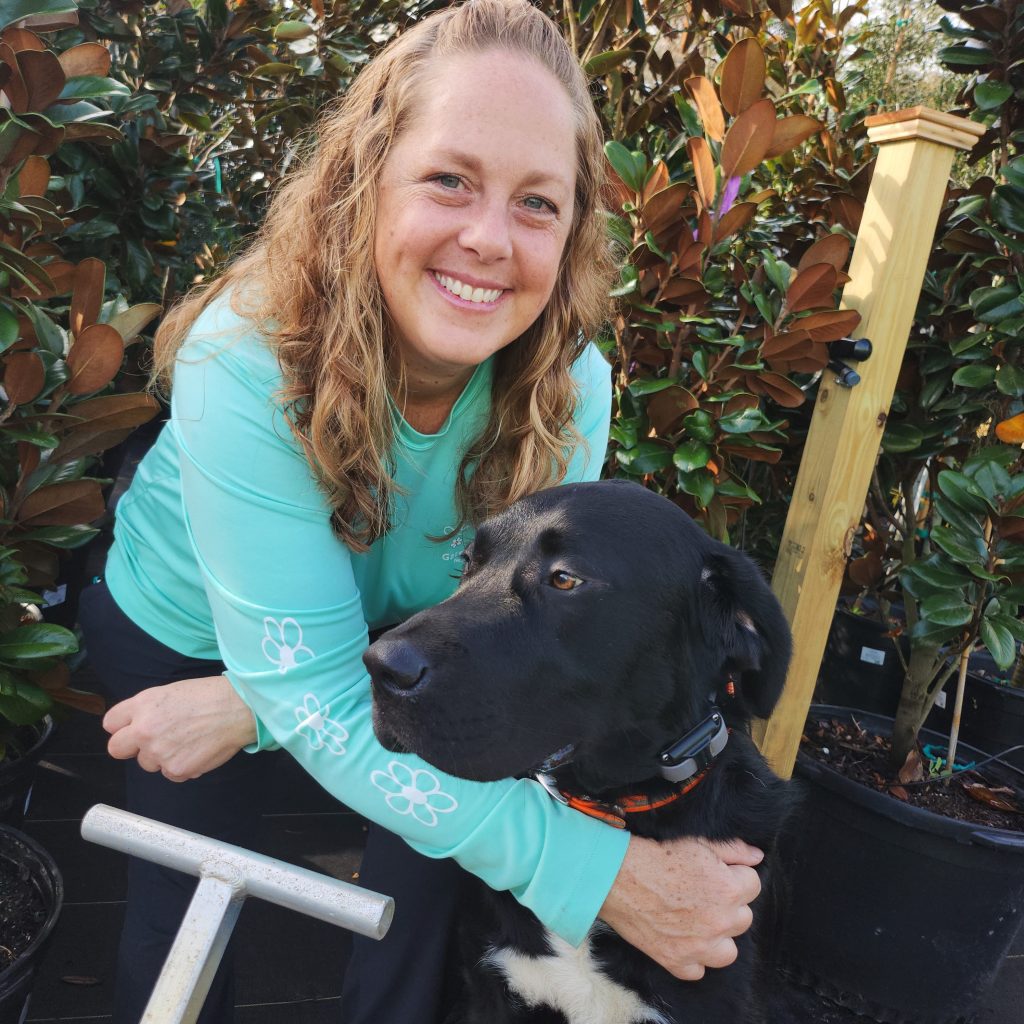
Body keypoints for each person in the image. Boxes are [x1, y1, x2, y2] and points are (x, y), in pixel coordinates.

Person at [78, 2, 765, 1022]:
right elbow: (308, 680)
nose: (489, 238)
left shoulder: (569, 383)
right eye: (449, 180)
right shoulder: (244, 357)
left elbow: (498, 629)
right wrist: (595, 874)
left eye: (537, 202)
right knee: (189, 897)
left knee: (436, 867)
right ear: (364, 182)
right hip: (186, 637)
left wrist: (261, 705)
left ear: (573, 228)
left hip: (396, 638)